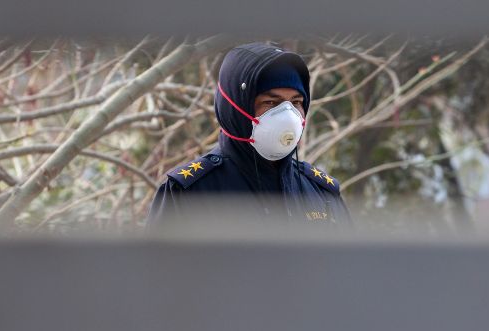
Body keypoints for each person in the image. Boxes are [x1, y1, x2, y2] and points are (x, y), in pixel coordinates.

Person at [145, 42, 352, 231]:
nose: (288, 117)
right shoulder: (189, 195)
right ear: (235, 107)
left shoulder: (320, 193)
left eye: (296, 102)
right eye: (270, 103)